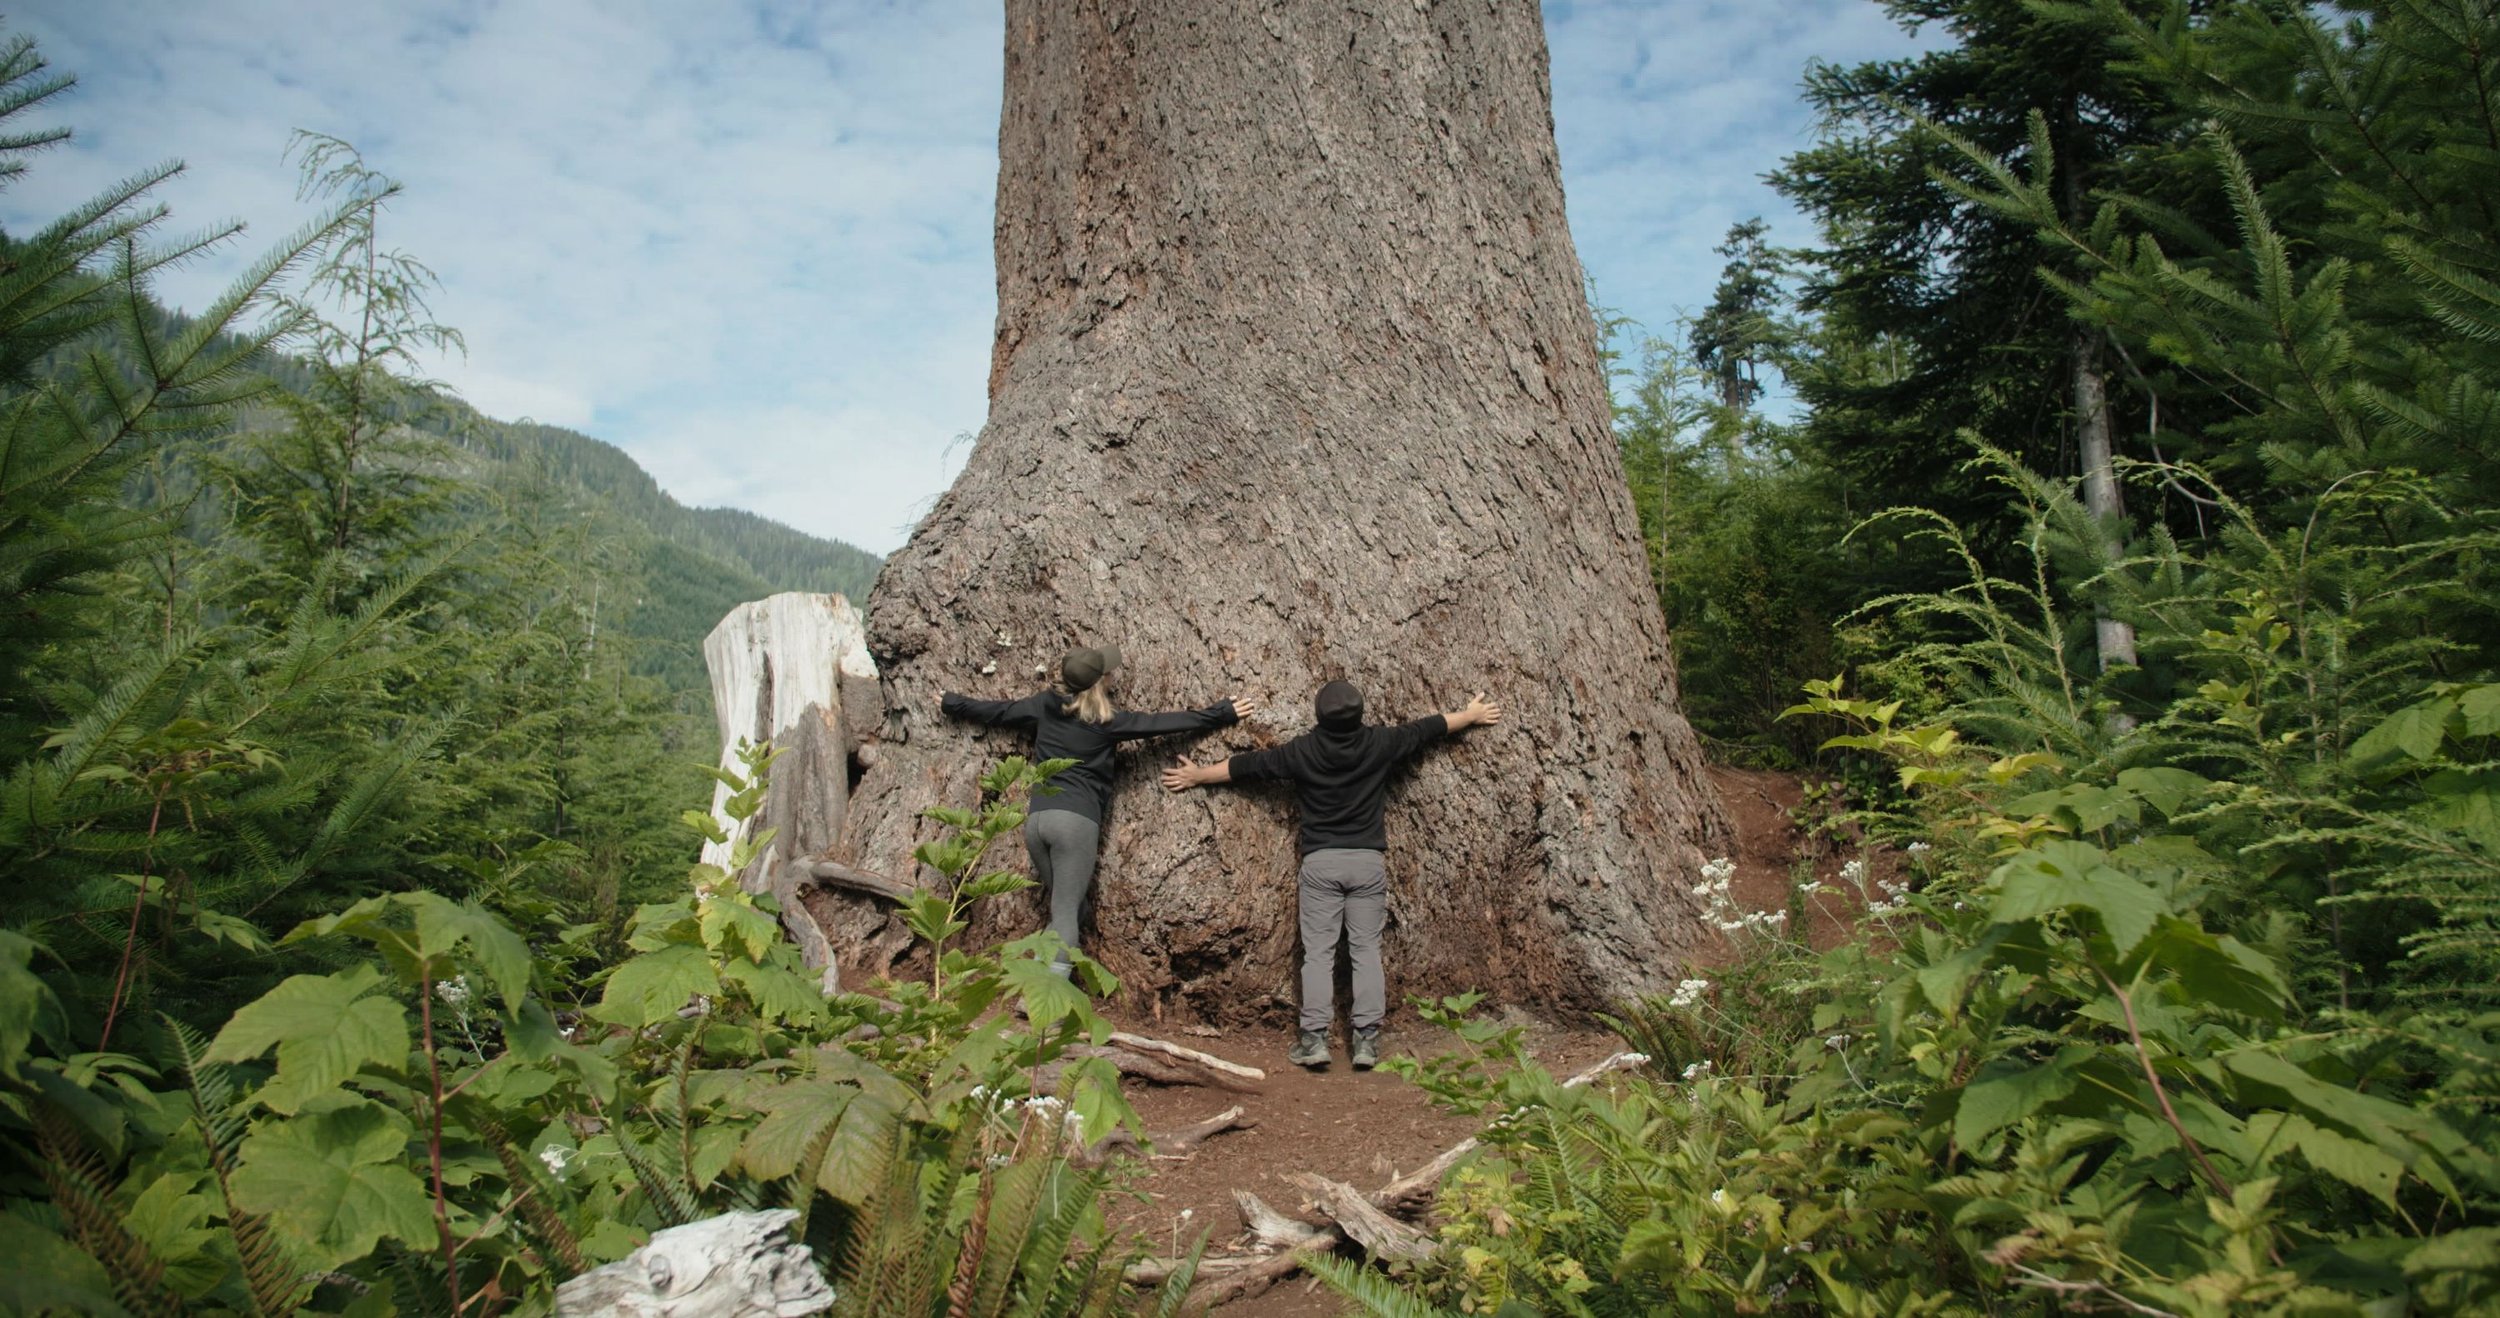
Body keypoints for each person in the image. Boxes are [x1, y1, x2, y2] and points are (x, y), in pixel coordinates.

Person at [1161, 680, 1500, 1069]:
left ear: (1318, 715)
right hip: (1367, 862)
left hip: (1322, 862)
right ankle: (1367, 1043)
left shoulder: (1303, 750)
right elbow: (1430, 727)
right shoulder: (1381, 743)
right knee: (1366, 951)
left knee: (1318, 955)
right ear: (1360, 713)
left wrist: (1198, 775)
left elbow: (1247, 766)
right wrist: (1472, 715)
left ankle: (1315, 1040)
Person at [941, 644, 1256, 975]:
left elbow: (996, 711)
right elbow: (1164, 723)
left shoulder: (1043, 705)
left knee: (1071, 909)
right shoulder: (1107, 721)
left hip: (1037, 822)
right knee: (1066, 912)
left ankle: (1035, 986)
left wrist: (952, 703)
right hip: (1074, 825)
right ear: (1100, 682)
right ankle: (1053, 1005)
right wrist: (1223, 712)